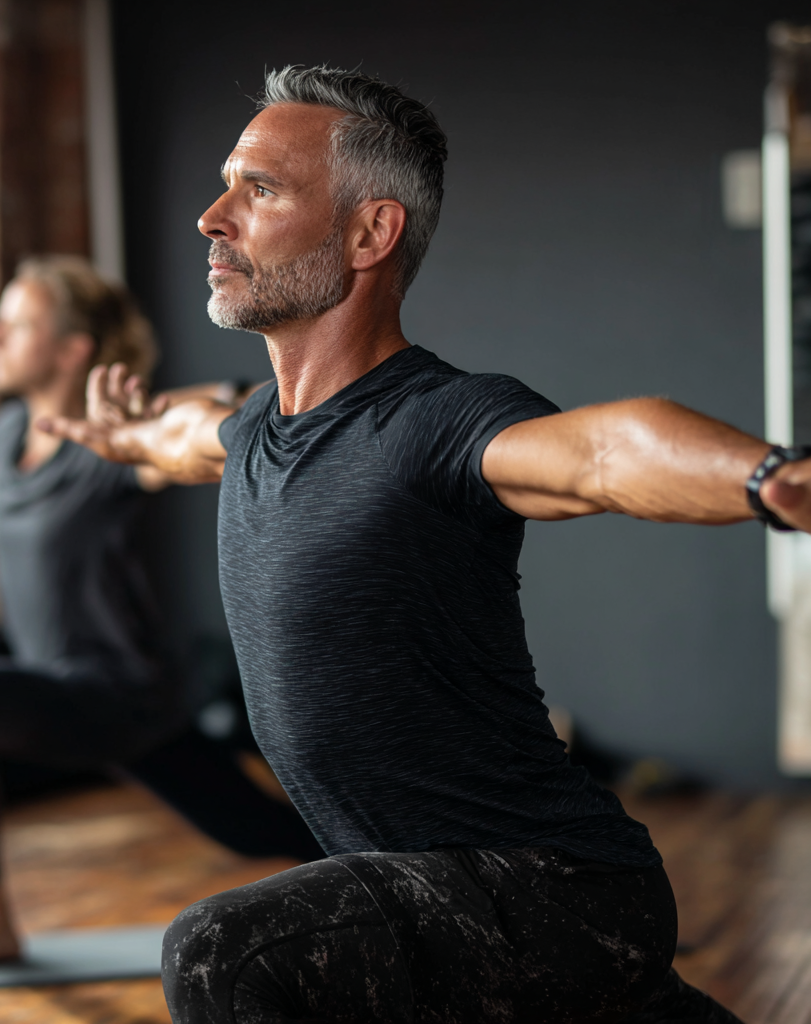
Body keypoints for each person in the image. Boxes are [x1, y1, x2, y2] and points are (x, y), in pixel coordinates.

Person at [40, 67, 811, 1023]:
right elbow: (167, 439)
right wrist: (117, 436)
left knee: (223, 956)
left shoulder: (435, 421)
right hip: (442, 892)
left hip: (554, 888)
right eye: (226, 182)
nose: (212, 216)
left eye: (260, 189)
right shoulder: (246, 433)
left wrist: (777, 479)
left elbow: (607, 451)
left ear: (371, 233)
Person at [0, 255, 322, 974]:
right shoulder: (6, 440)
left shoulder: (117, 446)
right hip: (65, 696)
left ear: (73, 350)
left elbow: (209, 422)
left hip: (122, 696)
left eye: (17, 324)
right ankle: (395, 870)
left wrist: (229, 393)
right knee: (257, 829)